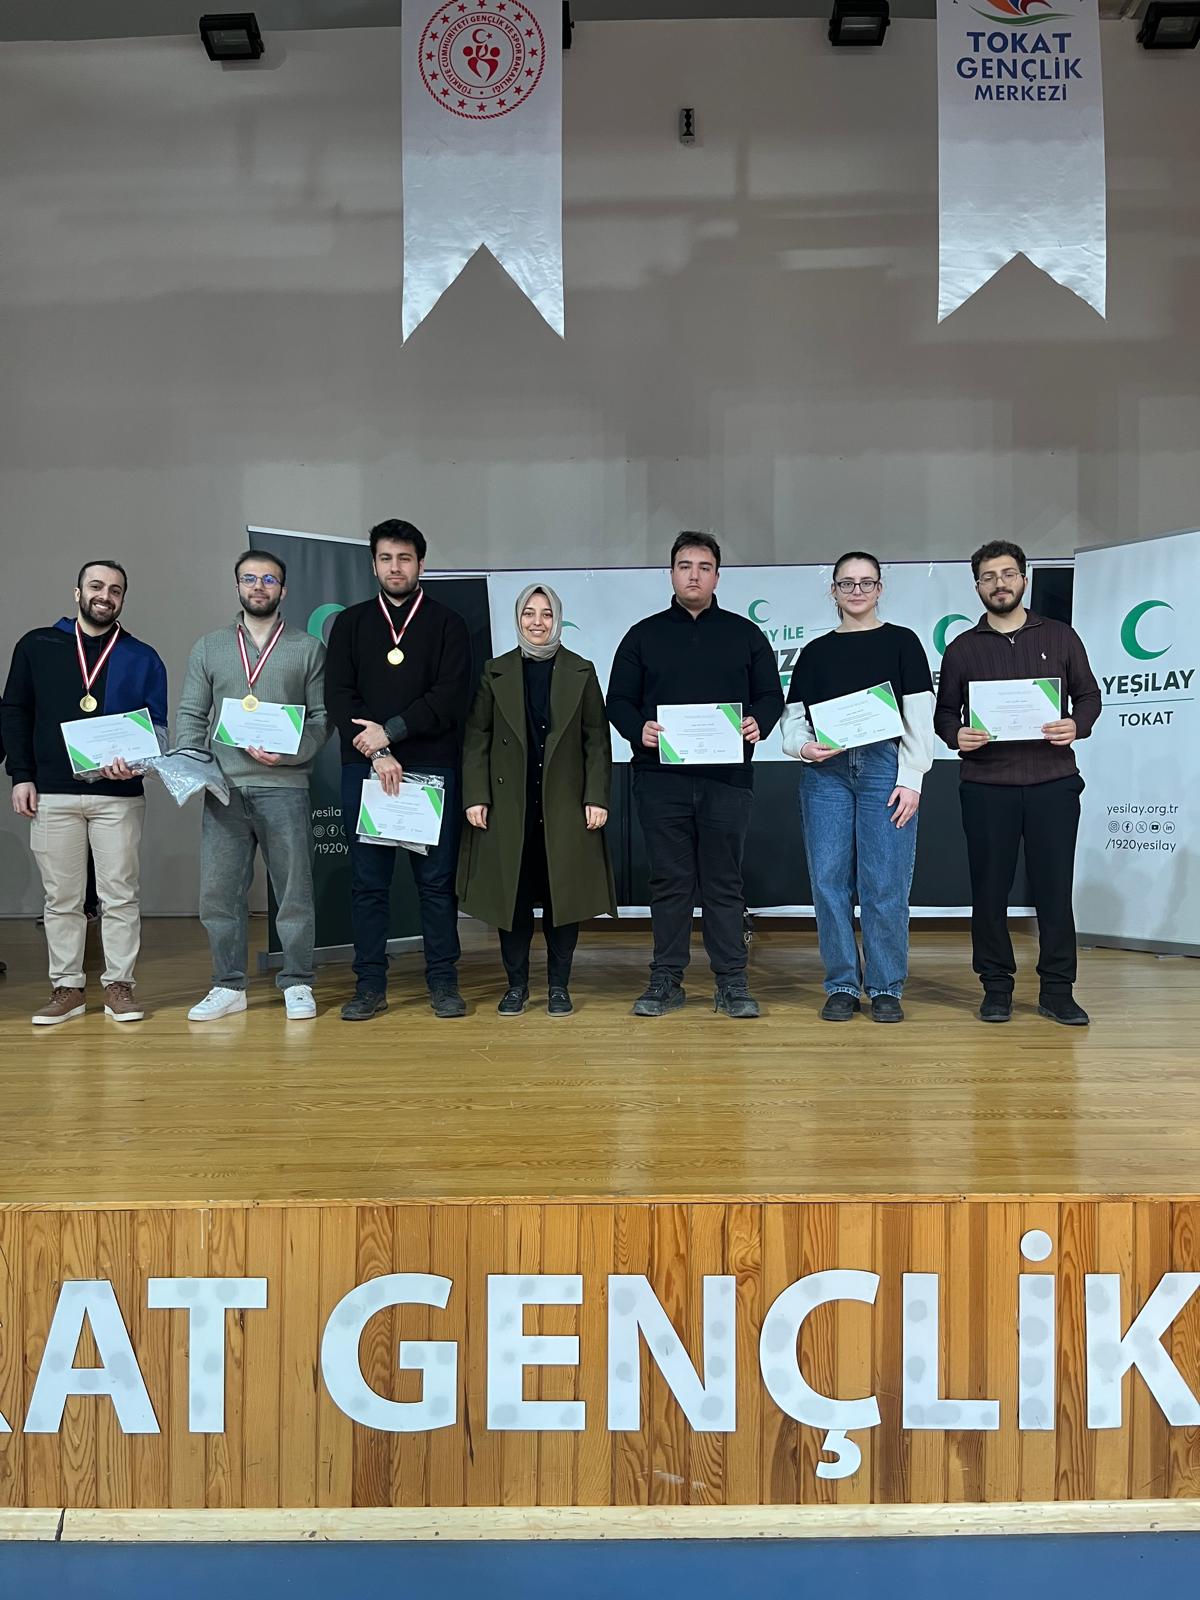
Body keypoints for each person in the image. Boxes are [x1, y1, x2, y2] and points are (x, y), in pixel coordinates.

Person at [606, 532, 784, 1018]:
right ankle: (666, 978)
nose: (694, 575)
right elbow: (617, 700)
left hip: (727, 780)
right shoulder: (642, 635)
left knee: (724, 882)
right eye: (685, 566)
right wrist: (637, 728)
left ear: (717, 577)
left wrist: (760, 721)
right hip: (659, 780)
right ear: (671, 574)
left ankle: (732, 981)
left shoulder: (745, 634)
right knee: (670, 882)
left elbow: (771, 695)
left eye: (704, 567)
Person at [934, 540, 1102, 1026]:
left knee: (1055, 889)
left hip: (1053, 782)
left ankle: (1058, 990)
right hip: (986, 785)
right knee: (989, 891)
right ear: (977, 586)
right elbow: (944, 713)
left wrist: (1077, 725)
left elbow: (1089, 696)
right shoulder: (962, 648)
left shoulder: (1061, 636)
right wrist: (955, 735)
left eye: (1008, 574)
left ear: (1024, 579)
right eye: (988, 577)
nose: (999, 584)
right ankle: (996, 987)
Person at [2, 560, 167, 1024]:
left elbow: (157, 729)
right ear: (78, 593)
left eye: (115, 590)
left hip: (120, 795)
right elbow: (14, 712)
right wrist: (21, 775)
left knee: (120, 895)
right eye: (96, 586)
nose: (105, 596)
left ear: (122, 599)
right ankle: (67, 988)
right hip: (51, 792)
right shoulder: (37, 645)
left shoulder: (142, 656)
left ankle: (119, 986)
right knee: (61, 898)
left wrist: (137, 761)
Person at [324, 518, 473, 1021]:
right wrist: (377, 752)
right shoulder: (350, 624)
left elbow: (449, 697)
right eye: (386, 558)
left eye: (404, 558)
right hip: (366, 768)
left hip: (432, 768)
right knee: (369, 883)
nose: (395, 567)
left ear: (420, 565)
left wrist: (391, 732)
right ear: (373, 565)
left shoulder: (448, 624)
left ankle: (443, 981)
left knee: (436, 883)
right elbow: (339, 695)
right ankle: (369, 984)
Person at [175, 548, 328, 1022]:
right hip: (224, 788)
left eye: (268, 579)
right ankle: (228, 985)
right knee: (219, 895)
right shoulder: (209, 647)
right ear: (237, 586)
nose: (258, 587)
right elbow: (191, 715)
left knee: (294, 892)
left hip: (286, 787)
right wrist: (194, 770)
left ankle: (298, 981)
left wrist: (292, 751)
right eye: (249, 579)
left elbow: (322, 718)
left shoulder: (308, 648)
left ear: (283, 589)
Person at [781, 552, 935, 1023]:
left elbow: (919, 716)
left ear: (880, 589)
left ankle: (886, 985)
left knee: (884, 882)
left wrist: (912, 778)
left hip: (885, 768)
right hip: (825, 772)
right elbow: (794, 717)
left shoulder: (903, 642)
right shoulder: (815, 652)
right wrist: (802, 748)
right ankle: (843, 984)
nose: (857, 591)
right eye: (846, 583)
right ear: (833, 590)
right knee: (828, 882)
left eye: (867, 582)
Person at [458, 584, 616, 1016]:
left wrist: (596, 797)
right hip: (510, 806)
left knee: (564, 902)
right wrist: (476, 795)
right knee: (512, 901)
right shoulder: (495, 671)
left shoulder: (581, 670)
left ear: (557, 619)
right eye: (529, 613)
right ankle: (516, 986)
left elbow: (596, 740)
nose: (537, 622)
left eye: (546, 614)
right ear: (518, 619)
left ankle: (559, 986)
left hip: (564, 807)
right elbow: (477, 738)